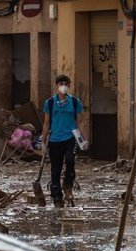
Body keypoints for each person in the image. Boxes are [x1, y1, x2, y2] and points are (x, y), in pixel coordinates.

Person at [42, 74, 84, 208]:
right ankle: (57, 197)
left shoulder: (76, 102)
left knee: (70, 160)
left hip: (70, 138)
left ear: (69, 86)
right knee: (56, 169)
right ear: (56, 86)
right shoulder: (49, 103)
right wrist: (43, 142)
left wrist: (84, 139)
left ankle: (68, 184)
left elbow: (80, 122)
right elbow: (46, 123)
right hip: (54, 140)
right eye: (61, 84)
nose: (63, 87)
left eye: (66, 84)